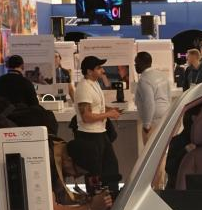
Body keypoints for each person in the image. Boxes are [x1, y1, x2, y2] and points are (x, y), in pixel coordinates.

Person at [73, 56, 123, 193]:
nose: (102, 70)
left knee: (111, 167)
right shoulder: (84, 88)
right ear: (89, 71)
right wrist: (108, 114)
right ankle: (96, 201)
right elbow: (86, 117)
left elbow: (96, 107)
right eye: (99, 68)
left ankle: (112, 196)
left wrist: (110, 110)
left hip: (100, 133)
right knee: (95, 172)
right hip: (89, 136)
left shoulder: (94, 83)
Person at [164, 105, 202, 189]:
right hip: (180, 192)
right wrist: (185, 151)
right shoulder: (178, 141)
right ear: (194, 118)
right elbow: (169, 168)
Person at [134, 51, 172, 145]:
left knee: (151, 150)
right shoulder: (161, 75)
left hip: (153, 120)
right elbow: (168, 95)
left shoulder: (144, 80)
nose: (135, 65)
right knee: (163, 148)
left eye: (136, 63)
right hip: (165, 116)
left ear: (141, 63)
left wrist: (147, 125)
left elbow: (149, 103)